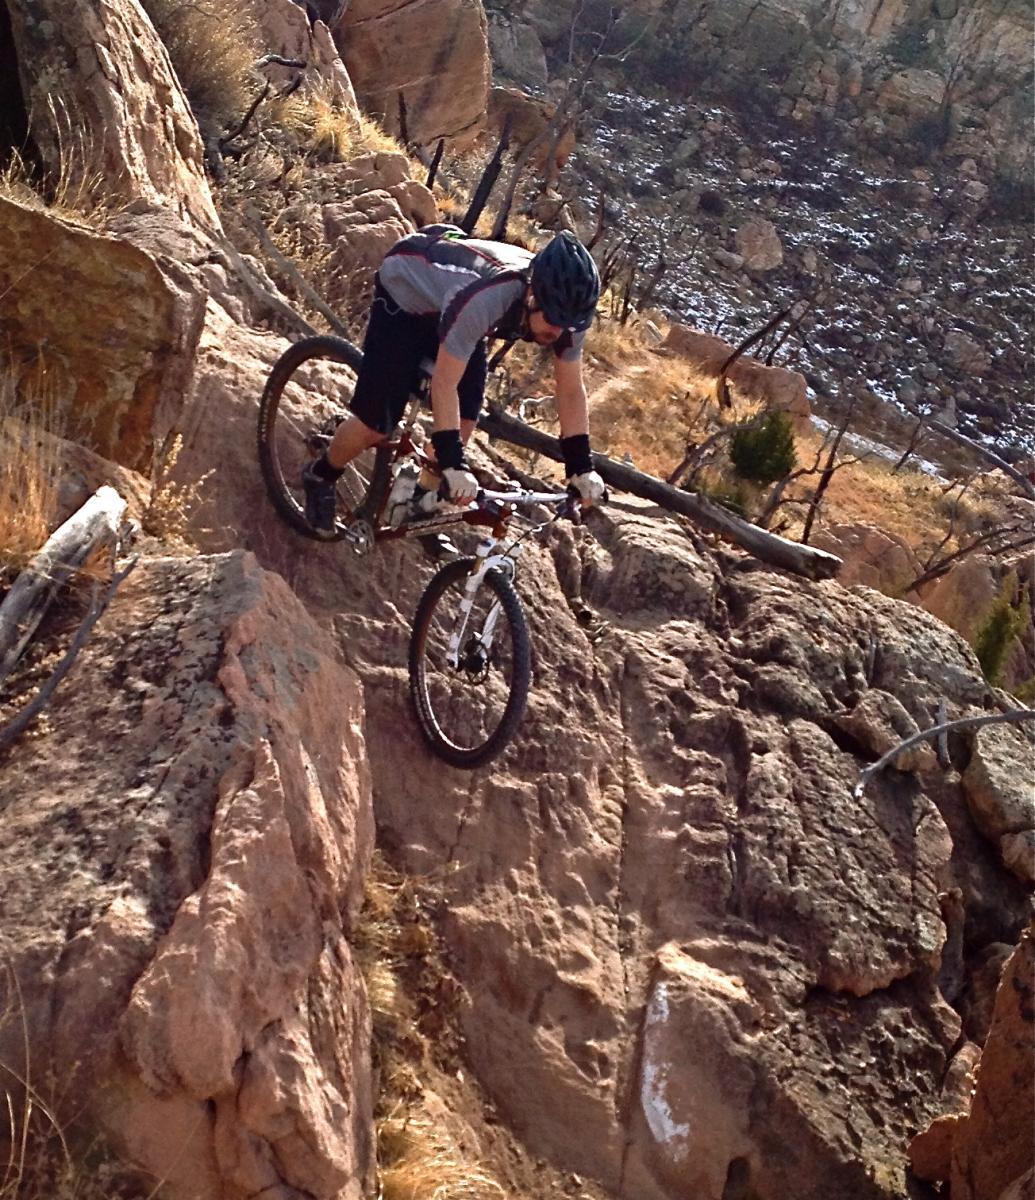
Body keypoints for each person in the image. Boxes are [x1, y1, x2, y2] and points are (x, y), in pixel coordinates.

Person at [301, 225, 607, 538]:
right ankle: (321, 474)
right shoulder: (489, 296)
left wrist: (581, 467)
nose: (559, 332)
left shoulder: (569, 317)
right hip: (405, 296)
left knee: (465, 420)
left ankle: (419, 505)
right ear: (532, 296)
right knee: (376, 422)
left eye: (569, 325)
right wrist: (453, 465)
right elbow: (444, 383)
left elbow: (570, 390)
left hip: (453, 307)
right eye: (554, 319)